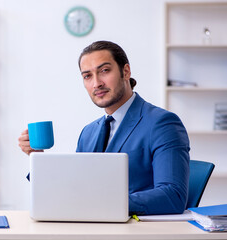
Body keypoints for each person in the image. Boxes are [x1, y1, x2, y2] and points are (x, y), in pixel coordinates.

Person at [18, 41, 190, 215]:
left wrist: (101, 203)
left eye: (104, 71)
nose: (96, 83)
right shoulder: (89, 132)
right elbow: (73, 189)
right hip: (91, 228)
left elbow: (172, 196)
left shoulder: (162, 123)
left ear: (126, 71)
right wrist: (37, 157)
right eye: (87, 76)